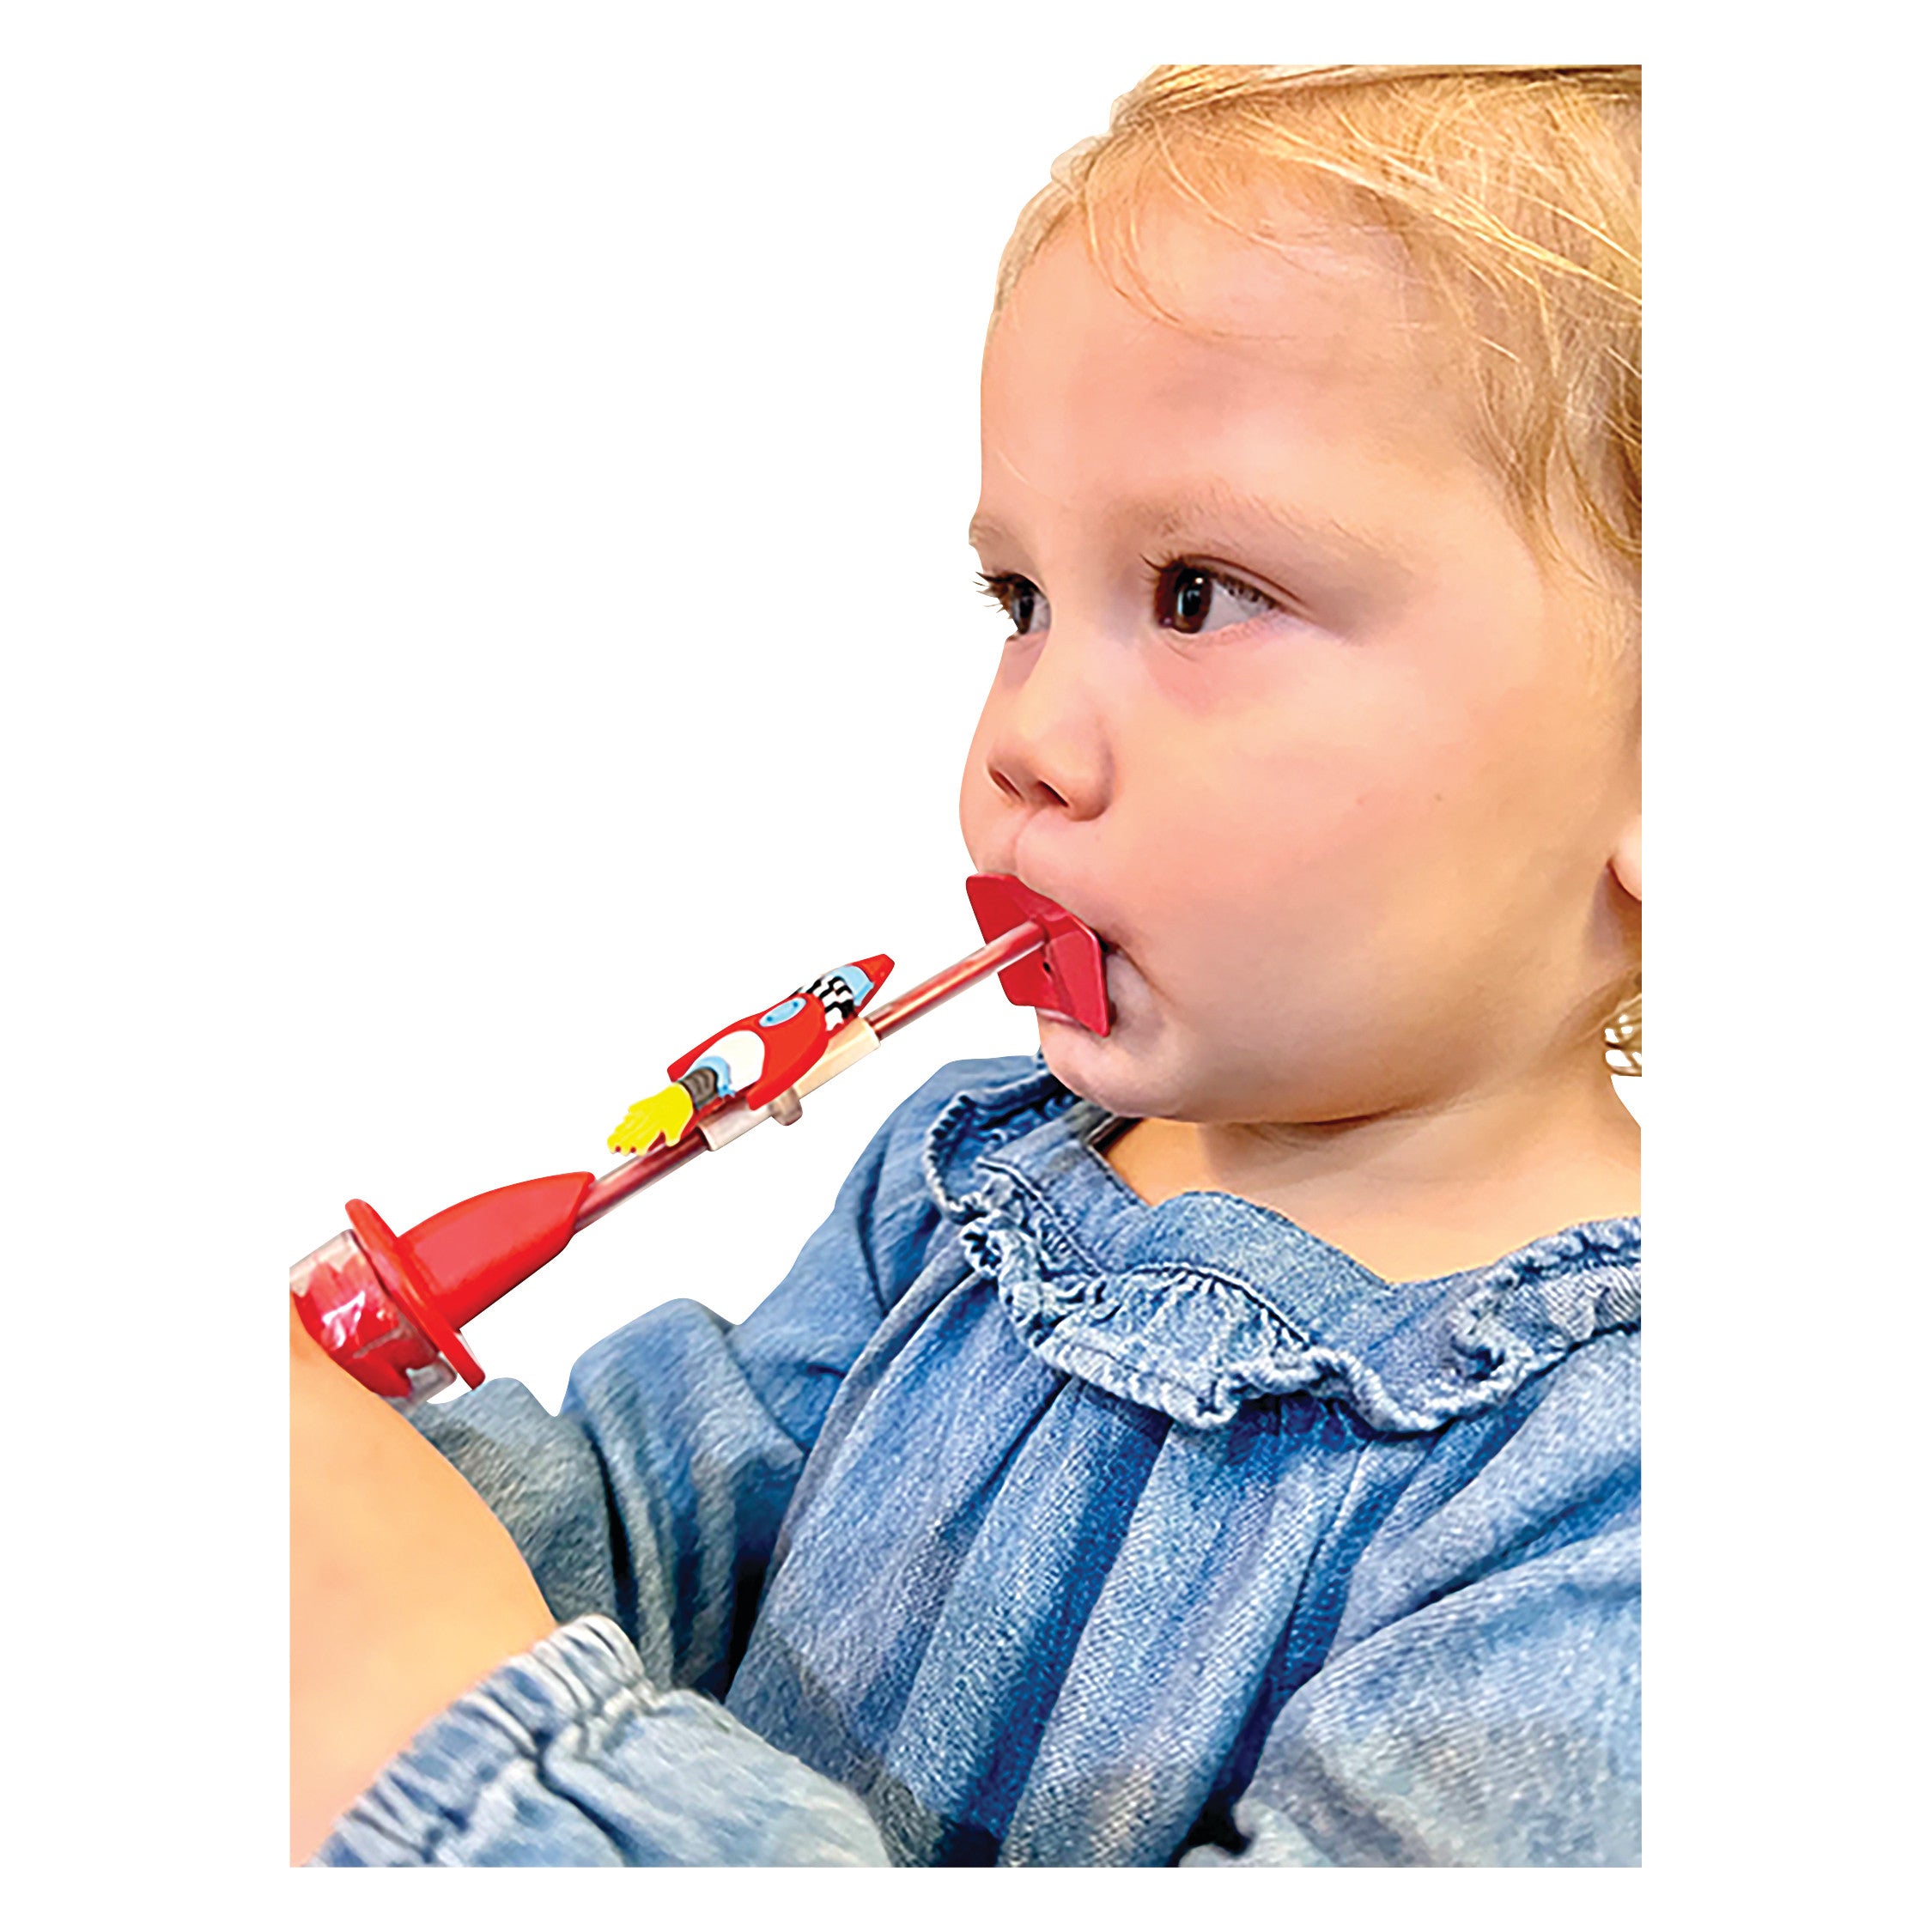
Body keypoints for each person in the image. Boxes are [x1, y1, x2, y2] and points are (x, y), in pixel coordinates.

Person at [291, 63, 1643, 1867]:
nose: (1027, 744)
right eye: (1021, 603)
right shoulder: (969, 1182)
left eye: (1197, 594)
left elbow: (494, 1710)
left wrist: (478, 1763)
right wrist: (333, 1506)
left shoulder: (1643, 1504)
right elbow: (641, 1561)